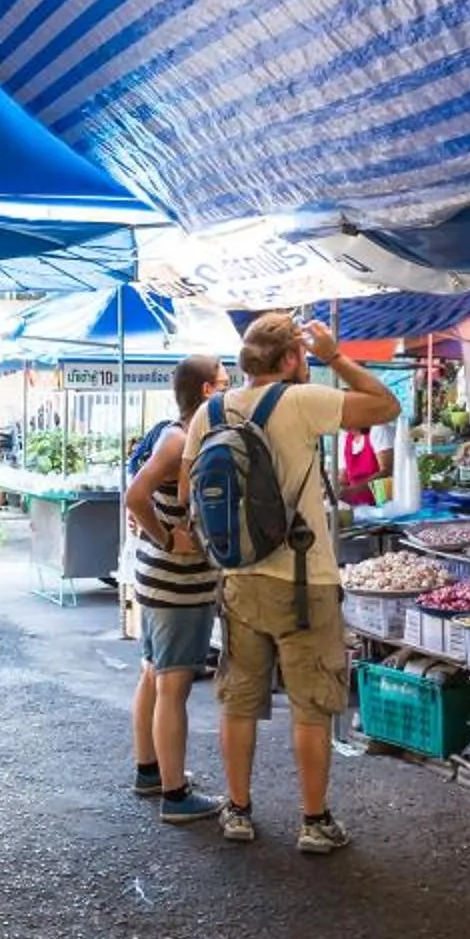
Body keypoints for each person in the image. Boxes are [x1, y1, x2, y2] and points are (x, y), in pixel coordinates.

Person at [182, 314, 399, 851]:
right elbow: (385, 405)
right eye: (300, 356)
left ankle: (237, 810)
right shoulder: (303, 401)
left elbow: (191, 488)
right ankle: (314, 820)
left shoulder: (209, 412)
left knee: (239, 699)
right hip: (305, 580)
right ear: (288, 360)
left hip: (237, 578)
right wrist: (333, 356)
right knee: (311, 703)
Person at [122, 356, 229, 823]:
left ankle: (150, 771)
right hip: (175, 580)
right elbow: (134, 496)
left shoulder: (179, 434)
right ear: (207, 391)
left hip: (161, 577)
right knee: (174, 683)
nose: (231, 390)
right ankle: (175, 792)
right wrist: (167, 537)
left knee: (155, 673)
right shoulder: (179, 439)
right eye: (225, 383)